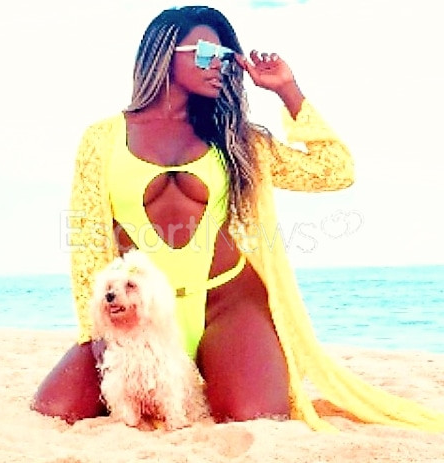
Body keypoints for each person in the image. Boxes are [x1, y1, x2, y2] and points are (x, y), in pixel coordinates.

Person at [32, 6, 444, 431]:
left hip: (226, 304)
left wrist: (287, 90)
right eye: (207, 53)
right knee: (55, 410)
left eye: (226, 57)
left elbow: (335, 171)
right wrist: (97, 330)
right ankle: (165, 381)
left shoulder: (237, 138)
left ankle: (211, 370)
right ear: (164, 54)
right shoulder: (102, 139)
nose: (219, 65)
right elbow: (87, 237)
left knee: (255, 418)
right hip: (138, 312)